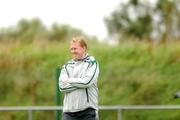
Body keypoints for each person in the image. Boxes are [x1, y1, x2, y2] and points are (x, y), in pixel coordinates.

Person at [59, 37, 99, 120]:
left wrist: (69, 80)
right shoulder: (67, 66)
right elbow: (62, 86)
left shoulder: (92, 63)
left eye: (75, 48)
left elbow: (87, 82)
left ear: (83, 48)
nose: (73, 51)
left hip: (87, 112)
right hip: (68, 113)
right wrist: (80, 82)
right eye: (71, 49)